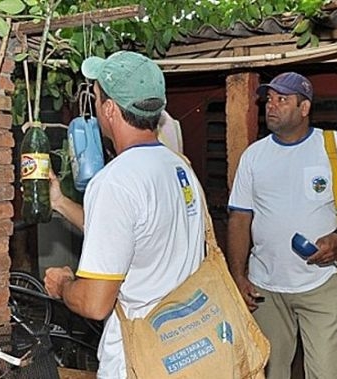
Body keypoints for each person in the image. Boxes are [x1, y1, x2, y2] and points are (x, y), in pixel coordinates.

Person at [43, 51, 205, 378]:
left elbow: (94, 303)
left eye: (98, 95)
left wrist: (63, 285)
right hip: (183, 345)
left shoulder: (115, 181)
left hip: (138, 359)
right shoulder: (178, 166)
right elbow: (129, 234)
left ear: (110, 110)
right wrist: (60, 202)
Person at [227, 72, 337, 379]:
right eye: (269, 99)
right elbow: (240, 218)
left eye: (282, 99)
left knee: (327, 372)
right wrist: (237, 275)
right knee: (268, 371)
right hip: (265, 288)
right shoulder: (254, 156)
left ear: (304, 108)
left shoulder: (331, 145)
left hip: (319, 284)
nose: (272, 106)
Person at [50, 109, 184, 231]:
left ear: (108, 108)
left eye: (96, 99)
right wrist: (59, 201)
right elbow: (106, 229)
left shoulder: (115, 179)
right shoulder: (181, 167)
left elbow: (104, 246)